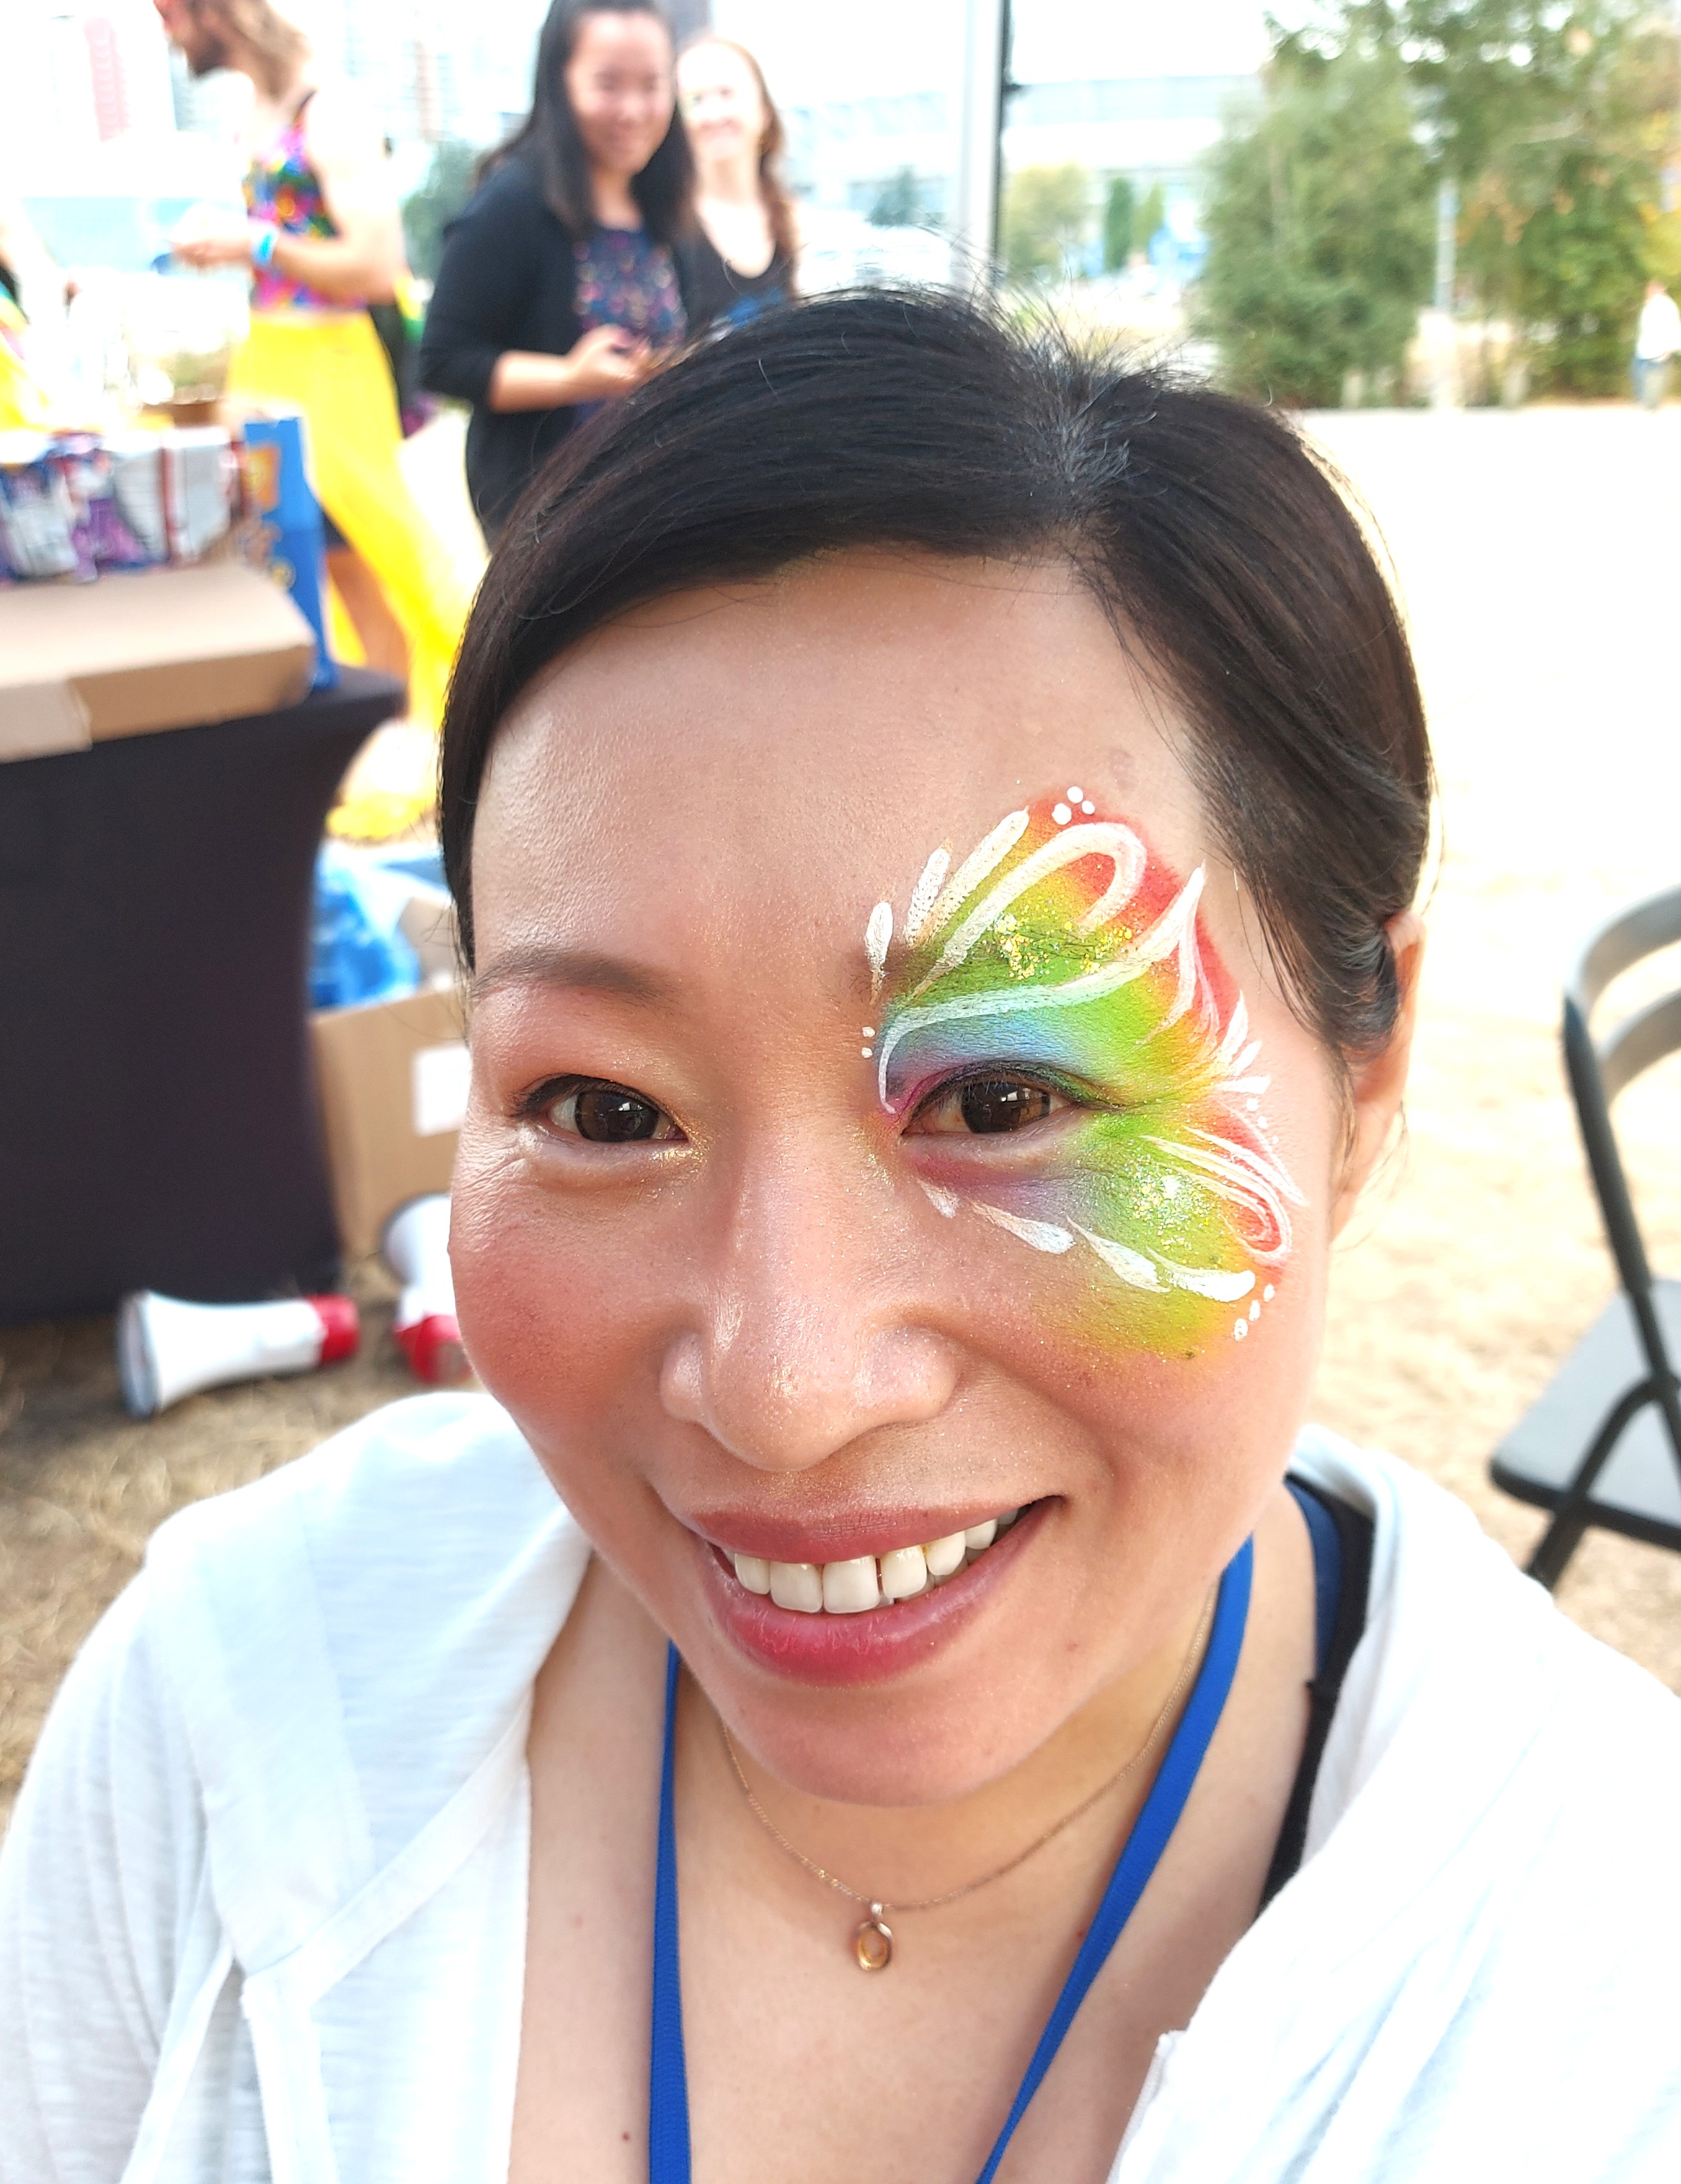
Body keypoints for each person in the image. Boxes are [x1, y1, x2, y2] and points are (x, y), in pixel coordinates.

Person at [5, 292, 1681, 2182]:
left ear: (1362, 1072)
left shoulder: (1612, 1990)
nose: (785, 1388)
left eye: (1003, 1100)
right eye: (606, 1109)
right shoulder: (230, 1719)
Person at [155, 0, 467, 730]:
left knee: (377, 560)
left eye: (169, 12)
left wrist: (254, 243)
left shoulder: (330, 109)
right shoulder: (255, 109)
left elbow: (376, 263)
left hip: (330, 368)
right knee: (302, 563)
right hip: (267, 363)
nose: (165, 32)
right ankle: (365, 741)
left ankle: (409, 742)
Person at [420, 0, 691, 544]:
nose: (633, 110)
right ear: (559, 82)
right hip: (544, 527)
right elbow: (443, 361)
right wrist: (571, 379)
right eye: (608, 84)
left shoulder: (667, 205)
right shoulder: (512, 203)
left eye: (651, 85)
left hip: (654, 508)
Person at [675, 34, 797, 332]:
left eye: (727, 94)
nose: (713, 115)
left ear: (765, 110)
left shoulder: (793, 220)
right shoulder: (664, 223)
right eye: (695, 100)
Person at [1633, 277, 1680, 411]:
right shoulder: (1651, 304)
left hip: (1659, 349)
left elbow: (1673, 327)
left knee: (1654, 378)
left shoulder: (1666, 305)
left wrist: (1670, 348)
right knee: (1641, 375)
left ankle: (1651, 404)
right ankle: (1647, 403)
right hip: (1646, 349)